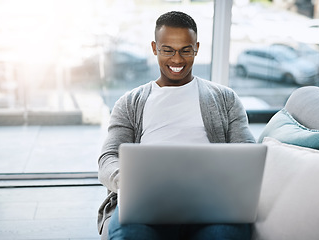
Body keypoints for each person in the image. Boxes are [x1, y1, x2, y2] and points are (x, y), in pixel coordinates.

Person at [98, 11, 255, 240]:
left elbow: (247, 153)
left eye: (185, 50)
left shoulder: (226, 98)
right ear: (154, 48)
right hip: (147, 200)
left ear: (197, 48)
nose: (177, 60)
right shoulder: (130, 103)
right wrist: (132, 181)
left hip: (212, 201)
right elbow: (108, 157)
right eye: (168, 50)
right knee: (131, 234)